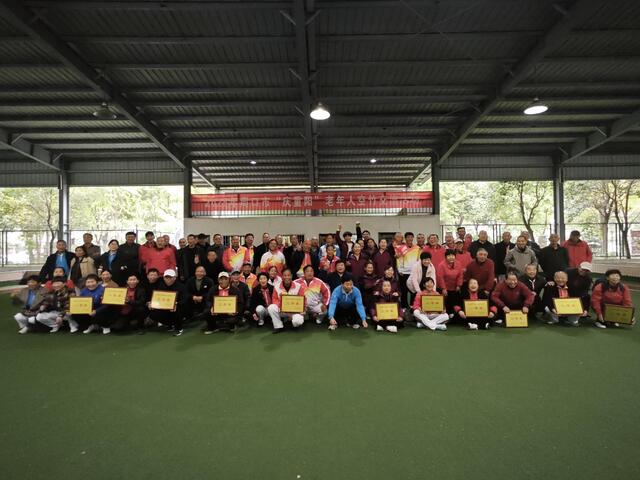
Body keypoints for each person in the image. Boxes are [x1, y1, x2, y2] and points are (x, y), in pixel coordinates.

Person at [147, 269, 188, 336]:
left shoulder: (181, 286)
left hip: (179, 307)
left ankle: (179, 328)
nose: (168, 279)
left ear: (174, 278)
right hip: (165, 307)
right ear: (163, 278)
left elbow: (185, 300)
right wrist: (151, 303)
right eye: (166, 277)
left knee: (176, 310)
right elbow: (157, 297)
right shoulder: (160, 286)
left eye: (170, 277)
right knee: (153, 314)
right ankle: (171, 324)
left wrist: (176, 304)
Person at [268, 268, 306, 333]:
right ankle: (278, 326)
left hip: (294, 311)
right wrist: (282, 306)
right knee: (271, 307)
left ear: (291, 276)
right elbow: (274, 300)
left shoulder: (298, 286)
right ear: (282, 276)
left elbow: (303, 300)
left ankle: (293, 324)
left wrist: (302, 311)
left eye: (288, 275)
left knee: (298, 320)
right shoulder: (276, 286)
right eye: (285, 275)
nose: (287, 277)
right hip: (282, 310)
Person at [395, 232, 421, 309]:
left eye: (411, 237)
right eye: (408, 237)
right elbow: (398, 260)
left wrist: (417, 270)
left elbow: (418, 260)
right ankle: (404, 306)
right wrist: (400, 270)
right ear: (405, 238)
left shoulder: (417, 248)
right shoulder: (401, 248)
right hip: (403, 272)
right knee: (404, 290)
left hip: (413, 272)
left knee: (413, 289)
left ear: (413, 238)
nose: (410, 238)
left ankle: (413, 305)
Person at [436, 249, 464, 315]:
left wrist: (459, 285)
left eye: (453, 255)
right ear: (446, 257)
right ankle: (445, 314)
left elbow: (460, 275)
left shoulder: (458, 263)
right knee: (445, 302)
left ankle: (453, 314)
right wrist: (443, 288)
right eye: (449, 256)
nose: (451, 257)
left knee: (454, 301)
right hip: (444, 287)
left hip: (454, 287)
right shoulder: (441, 265)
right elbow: (440, 278)